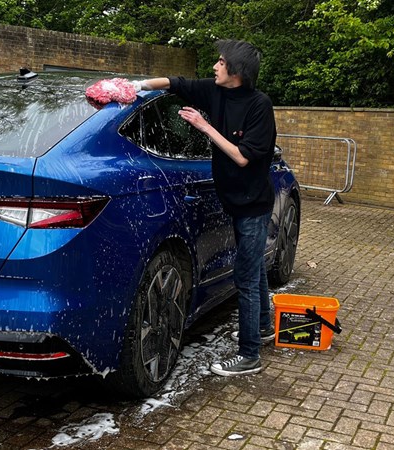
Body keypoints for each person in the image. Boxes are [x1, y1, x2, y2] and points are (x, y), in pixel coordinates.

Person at [132, 39, 276, 376]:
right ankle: (265, 327)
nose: (215, 66)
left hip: (254, 204)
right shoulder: (214, 90)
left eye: (221, 62)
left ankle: (250, 355)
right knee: (253, 269)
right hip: (233, 200)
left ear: (236, 72)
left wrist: (204, 126)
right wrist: (134, 86)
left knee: (245, 275)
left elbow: (243, 156)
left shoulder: (259, 106)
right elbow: (175, 83)